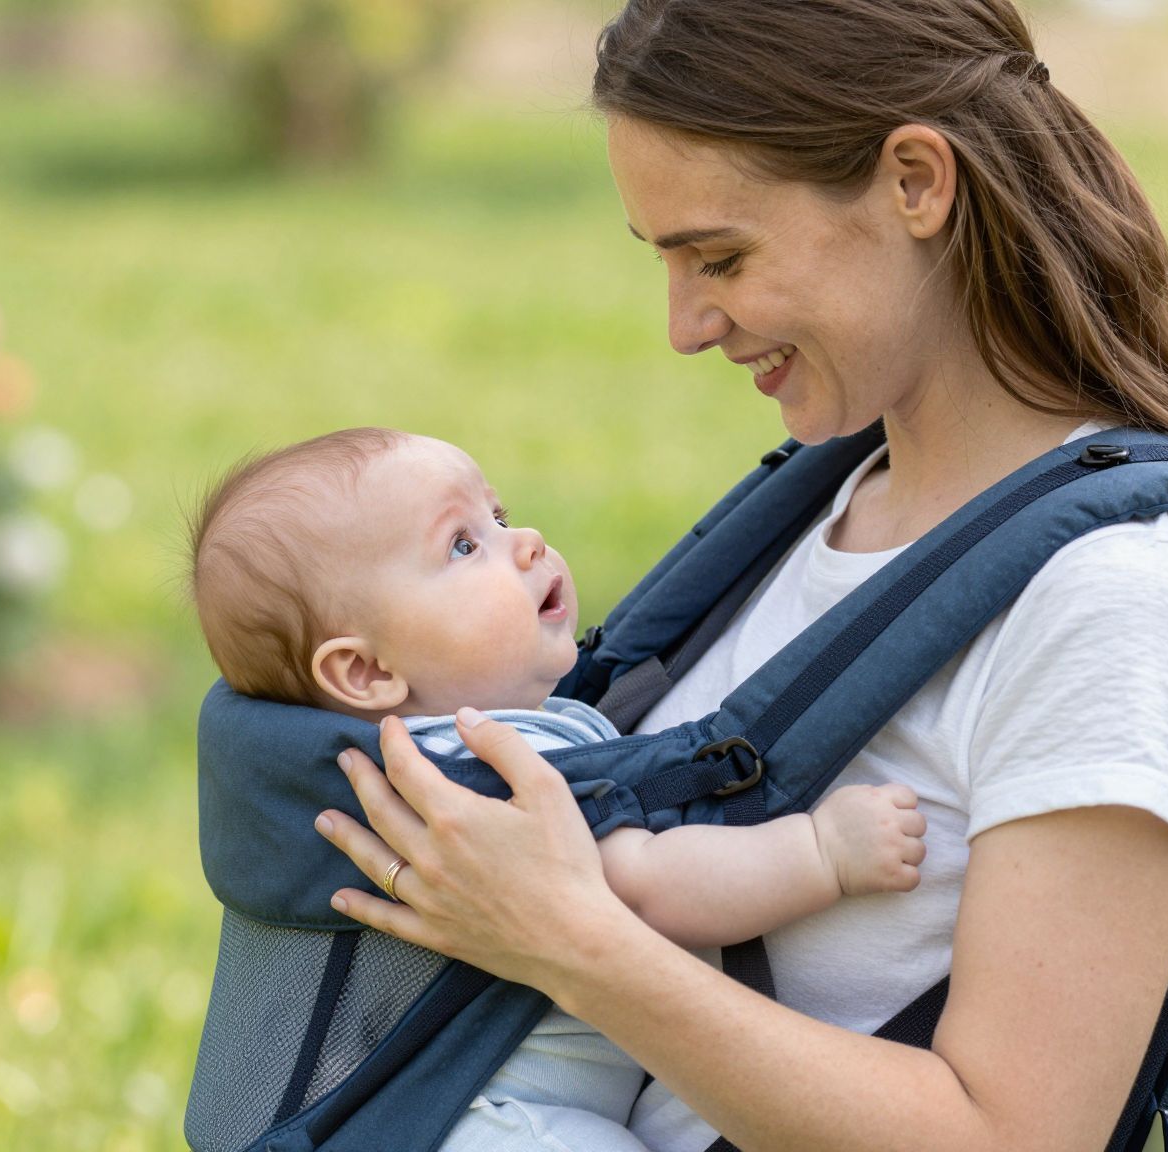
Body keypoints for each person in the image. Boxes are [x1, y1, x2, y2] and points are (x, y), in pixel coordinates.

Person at [314, 1, 1168, 1148]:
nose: (685, 326)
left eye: (720, 257)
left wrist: (568, 941)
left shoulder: (1124, 602)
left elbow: (1015, 1137)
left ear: (914, 183)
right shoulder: (823, 507)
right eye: (667, 262)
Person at [188, 426, 929, 1150]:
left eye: (499, 516)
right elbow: (643, 889)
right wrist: (821, 853)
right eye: (463, 545)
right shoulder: (479, 774)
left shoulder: (414, 754)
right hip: (484, 1120)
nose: (528, 540)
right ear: (368, 673)